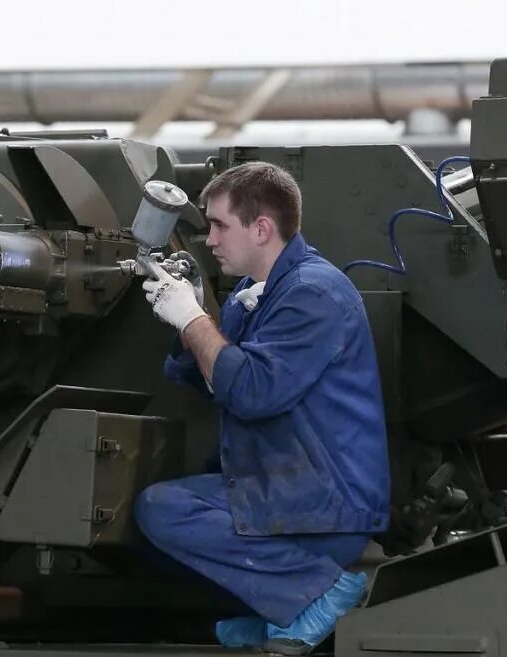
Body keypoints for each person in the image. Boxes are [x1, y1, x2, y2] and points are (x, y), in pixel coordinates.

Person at [134, 162, 390, 656]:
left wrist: (191, 317)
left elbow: (250, 390)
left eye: (219, 225)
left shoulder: (312, 293)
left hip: (321, 506)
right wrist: (188, 316)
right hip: (284, 489)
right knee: (145, 515)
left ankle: (322, 590)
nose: (209, 239)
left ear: (262, 228)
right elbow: (201, 376)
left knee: (162, 510)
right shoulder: (260, 295)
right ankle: (284, 611)